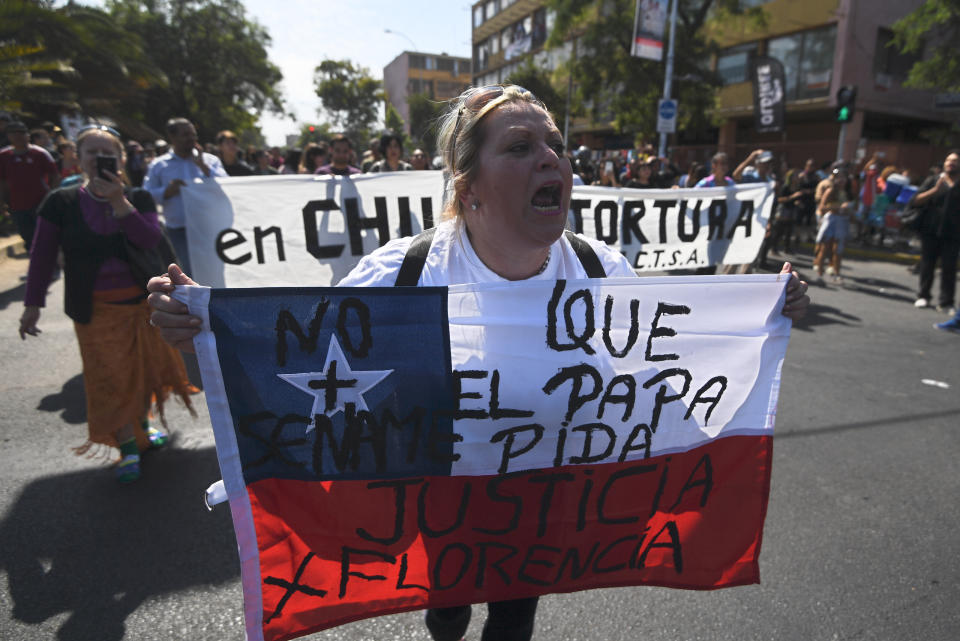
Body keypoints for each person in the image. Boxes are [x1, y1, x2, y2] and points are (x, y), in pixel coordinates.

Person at [146, 83, 810, 641]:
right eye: (521, 148)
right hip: (441, 491)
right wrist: (197, 331)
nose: (550, 159)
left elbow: (665, 368)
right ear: (469, 186)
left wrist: (766, 314)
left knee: (514, 618)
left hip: (543, 492)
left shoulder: (598, 270)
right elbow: (283, 359)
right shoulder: (404, 273)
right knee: (447, 606)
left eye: (555, 146)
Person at [17, 124, 195, 483]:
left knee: (142, 374)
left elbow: (148, 240)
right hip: (95, 312)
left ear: (122, 159)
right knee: (111, 380)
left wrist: (118, 202)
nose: (99, 159)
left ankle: (141, 426)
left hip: (143, 308)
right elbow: (42, 255)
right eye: (91, 153)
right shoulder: (61, 203)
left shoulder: (138, 198)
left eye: (107, 153)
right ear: (78, 159)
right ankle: (128, 445)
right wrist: (32, 304)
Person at [144, 117, 227, 275]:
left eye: (193, 134)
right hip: (179, 232)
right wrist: (166, 192)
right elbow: (146, 195)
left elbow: (228, 186)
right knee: (189, 274)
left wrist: (203, 167)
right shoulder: (158, 166)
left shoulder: (210, 161)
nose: (191, 139)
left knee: (215, 272)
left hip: (210, 228)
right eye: (186, 134)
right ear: (172, 137)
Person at [0, 120, 61, 253]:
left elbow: (54, 175)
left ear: (27, 135)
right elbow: (2, 182)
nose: (18, 137)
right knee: (27, 234)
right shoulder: (4, 156)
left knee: (44, 234)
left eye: (21, 133)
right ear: (8, 136)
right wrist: (3, 203)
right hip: (17, 204)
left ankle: (48, 261)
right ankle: (36, 262)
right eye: (14, 134)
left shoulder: (40, 153)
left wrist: (53, 196)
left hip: (41, 202)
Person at [911, 151, 959, 314]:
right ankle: (923, 295)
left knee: (949, 268)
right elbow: (915, 201)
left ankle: (946, 302)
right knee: (927, 265)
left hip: (953, 234)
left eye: (954, 161)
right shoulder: (933, 180)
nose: (950, 163)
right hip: (930, 231)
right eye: (948, 160)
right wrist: (935, 190)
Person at [813, 167, 854, 284]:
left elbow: (853, 209)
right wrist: (838, 207)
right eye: (839, 177)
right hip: (831, 220)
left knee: (838, 249)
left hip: (842, 221)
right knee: (824, 247)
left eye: (843, 177)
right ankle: (820, 272)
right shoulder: (831, 191)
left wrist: (849, 211)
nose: (841, 180)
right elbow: (822, 207)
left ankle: (836, 273)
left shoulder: (848, 193)